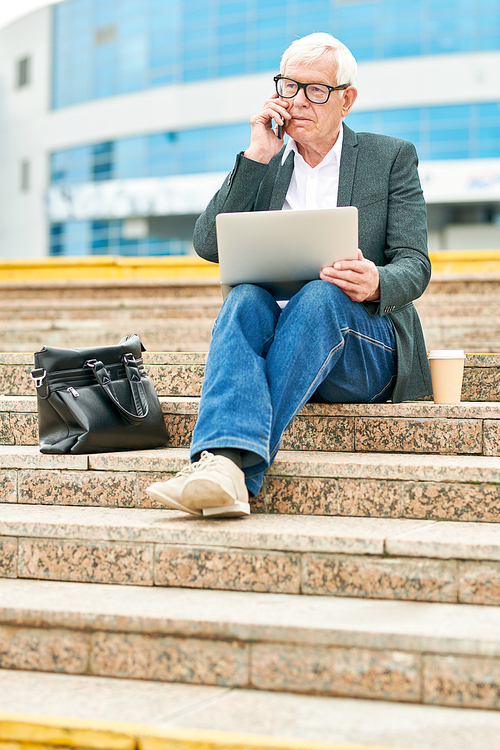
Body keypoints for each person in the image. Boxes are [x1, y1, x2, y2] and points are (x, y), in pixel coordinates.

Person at [147, 32, 432, 518]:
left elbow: (415, 264)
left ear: (347, 100)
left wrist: (377, 281)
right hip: (282, 342)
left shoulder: (391, 157)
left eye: (315, 89)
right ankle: (228, 477)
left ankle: (224, 465)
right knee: (243, 299)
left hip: (361, 349)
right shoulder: (267, 163)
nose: (298, 101)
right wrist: (256, 156)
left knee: (320, 296)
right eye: (288, 86)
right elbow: (208, 245)